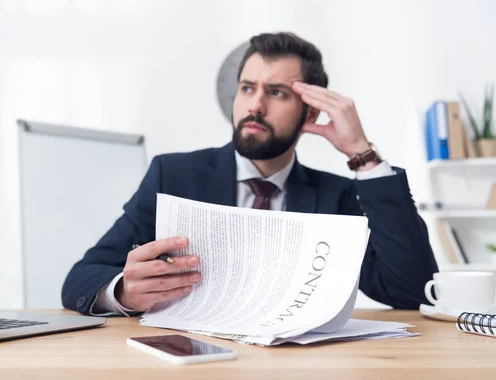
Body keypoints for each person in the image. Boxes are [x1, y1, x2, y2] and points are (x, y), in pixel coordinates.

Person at [62, 32, 438, 316]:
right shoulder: (172, 175)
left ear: (310, 113)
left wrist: (363, 156)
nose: (255, 106)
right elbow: (81, 278)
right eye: (247, 88)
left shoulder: (336, 196)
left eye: (276, 93)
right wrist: (124, 293)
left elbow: (411, 291)